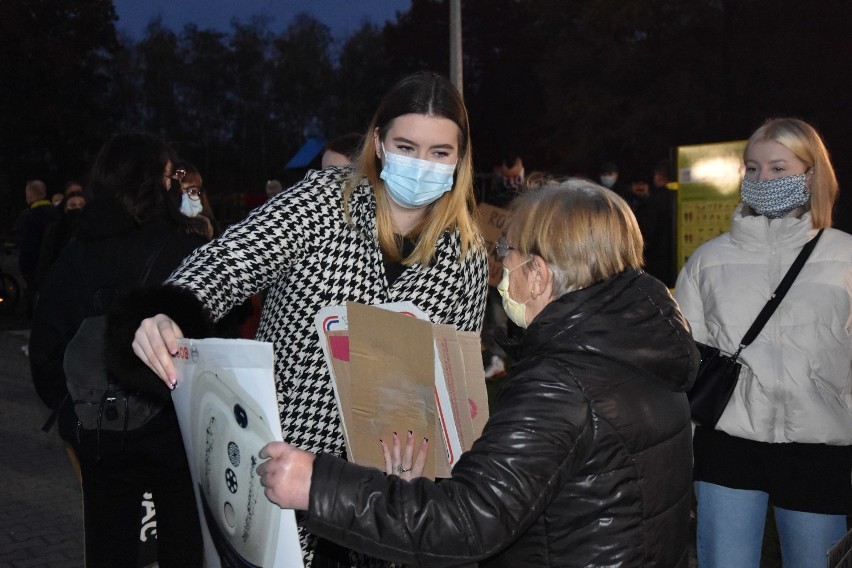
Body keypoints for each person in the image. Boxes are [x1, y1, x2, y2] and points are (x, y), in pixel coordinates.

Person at [119, 71, 489, 566]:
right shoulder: (320, 203)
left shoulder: (466, 256)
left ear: (460, 159)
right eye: (406, 146)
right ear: (378, 143)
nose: (421, 164)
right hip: (279, 472)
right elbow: (228, 263)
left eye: (439, 152)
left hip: (382, 497)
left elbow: (451, 384)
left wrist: (431, 463)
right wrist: (165, 314)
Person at [257, 180, 699, 567]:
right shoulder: (638, 349)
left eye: (506, 251)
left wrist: (319, 485)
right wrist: (417, 491)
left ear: (539, 274)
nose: (499, 266)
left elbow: (470, 522)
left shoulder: (561, 383)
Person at [674, 117, 852, 567]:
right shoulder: (708, 262)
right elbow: (684, 367)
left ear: (811, 174)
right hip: (727, 445)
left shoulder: (845, 258)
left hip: (819, 448)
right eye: (752, 169)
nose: (762, 179)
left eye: (777, 168)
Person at [29, 133, 206, 567]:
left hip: (101, 432)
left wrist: (74, 413)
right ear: (150, 181)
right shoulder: (188, 252)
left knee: (109, 548)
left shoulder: (75, 255)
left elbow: (45, 350)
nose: (173, 185)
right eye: (169, 176)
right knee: (183, 545)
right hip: (176, 432)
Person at [623, 167, 676, 287]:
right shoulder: (678, 198)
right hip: (674, 259)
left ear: (659, 177)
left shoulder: (653, 202)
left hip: (656, 260)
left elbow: (646, 232)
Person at [17, 179, 60, 318]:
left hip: (32, 263)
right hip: (54, 262)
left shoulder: (27, 216)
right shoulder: (56, 213)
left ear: (30, 195)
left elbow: (26, 244)